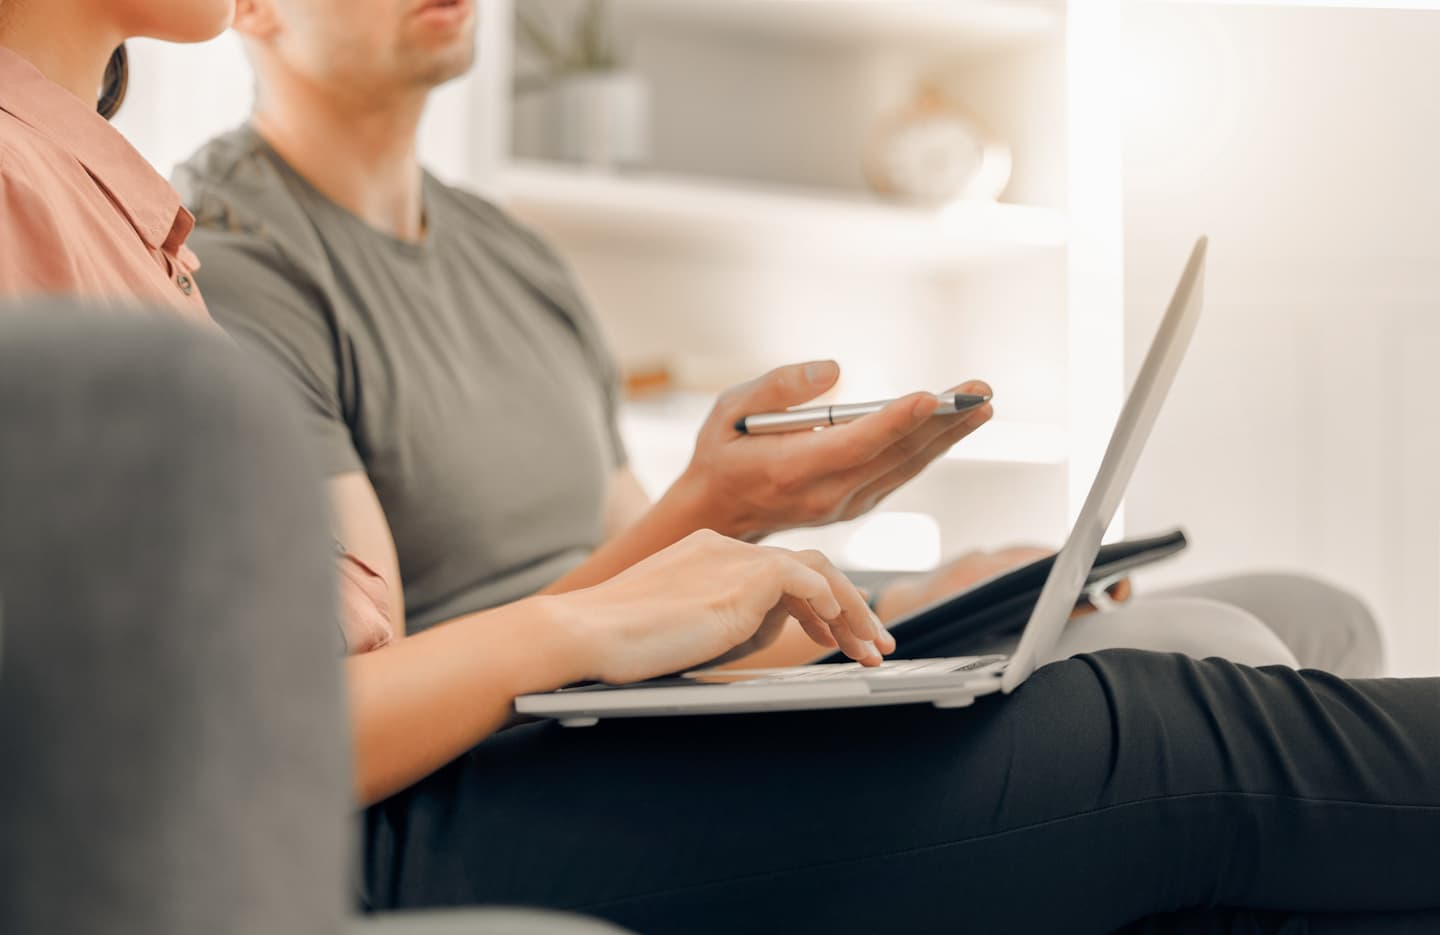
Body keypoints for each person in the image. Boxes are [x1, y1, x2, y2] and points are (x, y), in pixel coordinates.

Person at [4, 3, 1437, 933]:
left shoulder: (149, 224)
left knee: (1246, 677)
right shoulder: (146, 223)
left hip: (508, 726)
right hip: (420, 786)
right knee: (1169, 727)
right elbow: (203, 737)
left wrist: (775, 551)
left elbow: (350, 652)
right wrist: (603, 614)